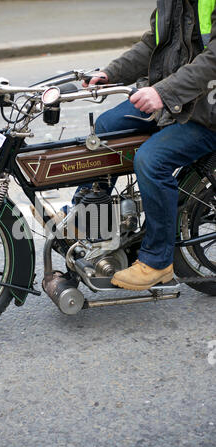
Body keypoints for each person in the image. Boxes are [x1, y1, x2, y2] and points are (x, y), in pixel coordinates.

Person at [65, 0, 216, 291]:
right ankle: (93, 224)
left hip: (208, 112)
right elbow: (153, 44)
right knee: (107, 129)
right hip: (178, 99)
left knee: (152, 161)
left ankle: (158, 261)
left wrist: (163, 91)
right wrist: (111, 73)